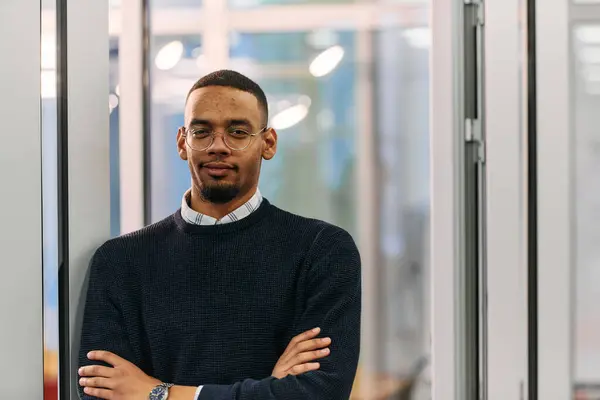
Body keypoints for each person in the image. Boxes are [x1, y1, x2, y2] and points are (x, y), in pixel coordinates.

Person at [77, 69, 362, 400]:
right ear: (183, 142)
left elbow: (319, 393)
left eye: (238, 132)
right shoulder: (120, 261)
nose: (218, 147)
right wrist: (270, 388)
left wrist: (158, 393)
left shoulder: (322, 251)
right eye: (202, 131)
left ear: (267, 143)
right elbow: (101, 393)